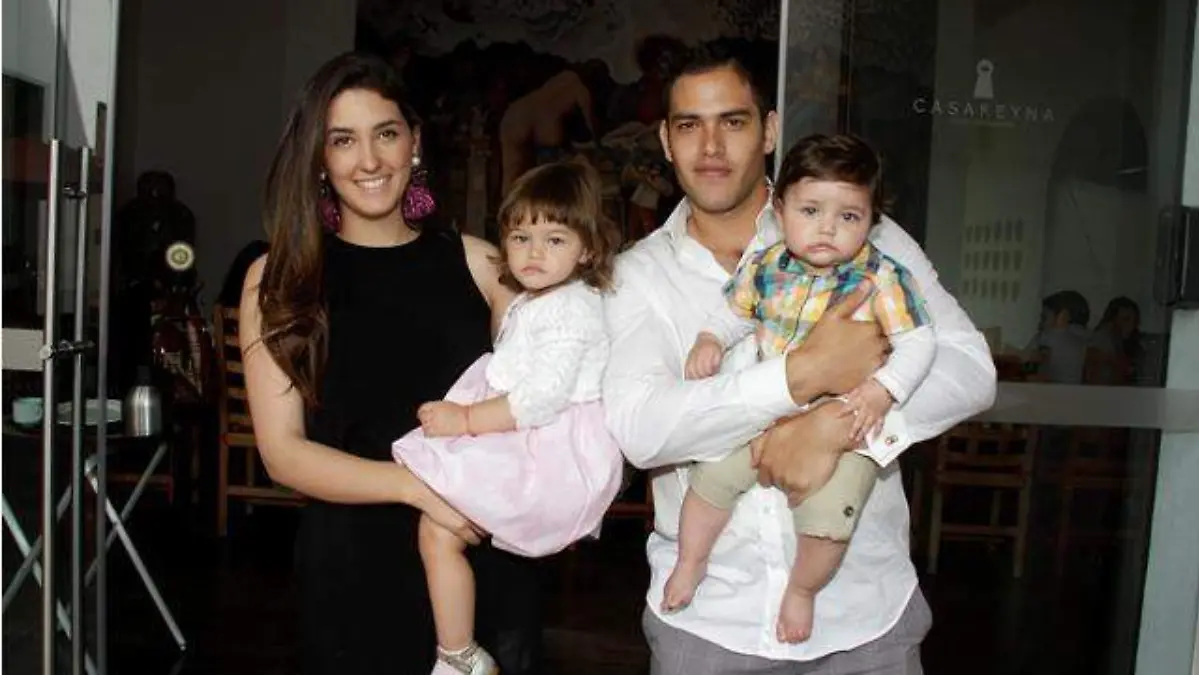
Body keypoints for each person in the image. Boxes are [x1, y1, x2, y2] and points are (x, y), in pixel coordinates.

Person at [602, 50, 996, 673]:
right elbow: (641, 429)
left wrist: (833, 427)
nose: (711, 146)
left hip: (862, 617)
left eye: (733, 122)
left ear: (769, 131)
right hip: (707, 622)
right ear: (666, 141)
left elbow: (970, 369)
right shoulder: (638, 274)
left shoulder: (867, 239)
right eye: (689, 125)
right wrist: (800, 377)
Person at [239, 52, 543, 675]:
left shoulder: (481, 265)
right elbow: (283, 453)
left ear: (415, 142)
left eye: (386, 133)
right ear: (320, 158)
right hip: (354, 573)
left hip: (479, 555)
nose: (369, 160)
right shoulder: (281, 278)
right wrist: (416, 487)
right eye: (343, 140)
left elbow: (549, 391)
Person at [665, 134, 936, 645]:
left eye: (849, 216)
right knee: (709, 482)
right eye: (810, 210)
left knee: (830, 518)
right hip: (769, 411)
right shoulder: (766, 266)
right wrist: (710, 339)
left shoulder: (883, 277)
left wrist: (884, 389)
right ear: (780, 209)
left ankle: (803, 589)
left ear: (872, 220)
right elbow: (733, 313)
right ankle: (691, 559)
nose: (827, 228)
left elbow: (920, 342)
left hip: (846, 420)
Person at [393, 159, 625, 675]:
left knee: (438, 530)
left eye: (554, 240)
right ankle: (458, 653)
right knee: (436, 531)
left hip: (545, 446)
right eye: (520, 238)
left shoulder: (571, 309)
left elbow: (540, 399)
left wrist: (465, 420)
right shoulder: (540, 298)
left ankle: (458, 655)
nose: (534, 253)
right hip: (521, 432)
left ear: (588, 249)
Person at [1026, 290, 1092, 384]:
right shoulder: (1089, 341)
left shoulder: (1047, 338)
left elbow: (1025, 366)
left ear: (1062, 316)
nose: (1040, 325)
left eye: (1044, 318)